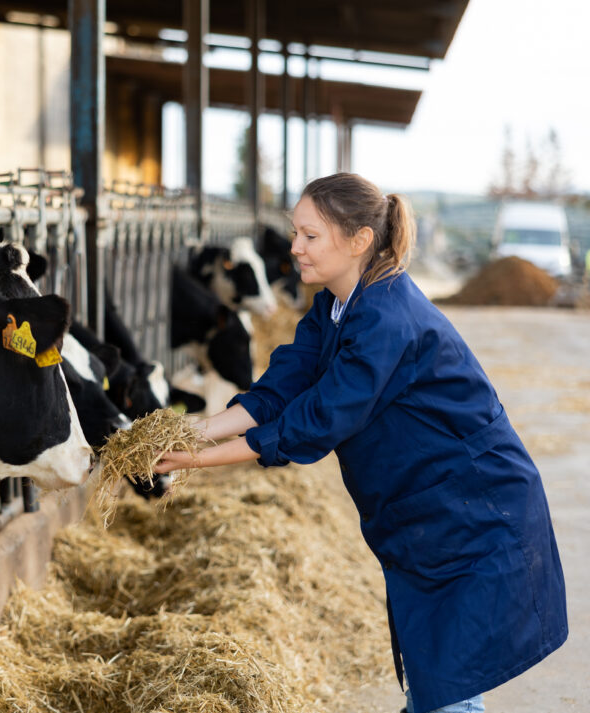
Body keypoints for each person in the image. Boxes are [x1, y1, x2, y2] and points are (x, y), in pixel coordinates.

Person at [155, 173, 567, 713]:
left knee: (447, 687)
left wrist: (197, 461)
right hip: (431, 514)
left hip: (475, 513)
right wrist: (187, 433)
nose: (295, 248)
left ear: (358, 241)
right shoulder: (335, 307)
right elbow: (280, 389)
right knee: (435, 681)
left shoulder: (385, 317)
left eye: (309, 235)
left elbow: (316, 421)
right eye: (295, 233)